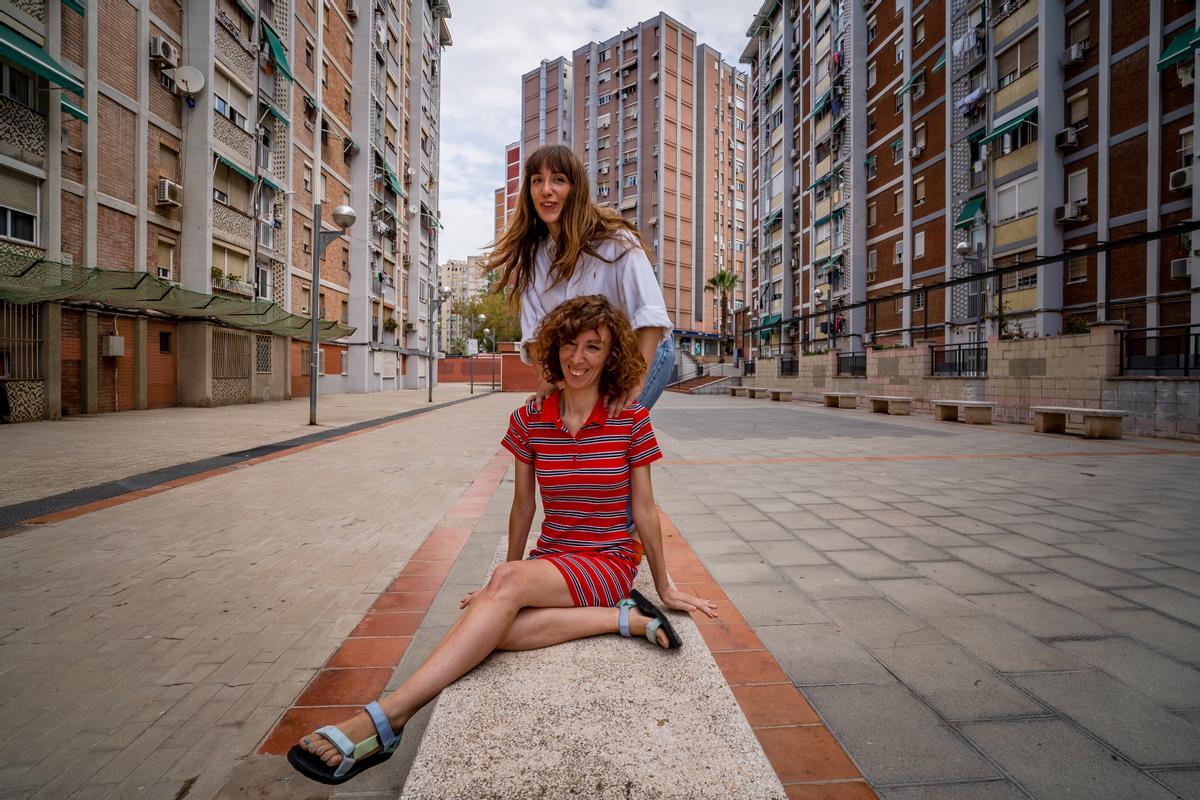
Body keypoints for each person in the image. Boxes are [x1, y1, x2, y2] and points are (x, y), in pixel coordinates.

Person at [288, 295, 717, 785]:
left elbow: (643, 508)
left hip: (608, 561)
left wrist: (664, 584)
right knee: (491, 624)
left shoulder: (630, 420)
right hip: (554, 559)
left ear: (610, 355)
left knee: (492, 614)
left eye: (593, 347)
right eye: (569, 345)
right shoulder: (529, 419)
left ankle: (389, 716)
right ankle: (622, 620)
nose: (579, 358)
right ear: (553, 351)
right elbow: (523, 506)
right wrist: (504, 580)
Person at [486, 144, 675, 417]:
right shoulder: (533, 258)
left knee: (614, 428)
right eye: (537, 180)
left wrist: (634, 384)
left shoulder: (616, 242)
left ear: (576, 189)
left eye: (558, 180)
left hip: (644, 350)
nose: (546, 189)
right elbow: (536, 336)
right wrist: (549, 382)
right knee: (574, 426)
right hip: (589, 358)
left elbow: (651, 317)